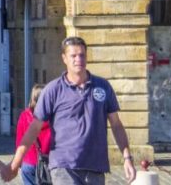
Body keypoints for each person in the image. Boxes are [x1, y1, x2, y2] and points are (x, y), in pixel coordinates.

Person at [10, 37, 136, 185]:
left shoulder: (102, 87)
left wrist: (127, 158)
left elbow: (116, 124)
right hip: (64, 166)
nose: (78, 59)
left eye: (82, 55)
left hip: (95, 166)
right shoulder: (53, 89)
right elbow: (34, 128)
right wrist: (16, 162)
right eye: (73, 56)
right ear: (64, 58)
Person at [16, 84, 52, 185]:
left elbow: (19, 141)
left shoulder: (25, 115)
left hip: (28, 162)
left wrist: (18, 161)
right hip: (48, 162)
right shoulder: (53, 117)